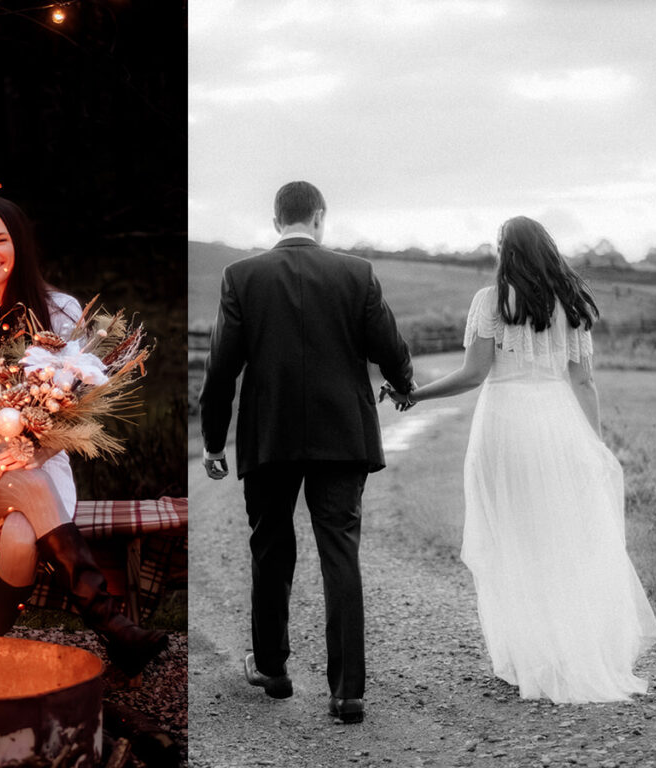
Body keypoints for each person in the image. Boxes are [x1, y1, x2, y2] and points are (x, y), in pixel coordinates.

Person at [382, 215, 656, 702]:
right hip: (558, 425)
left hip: (506, 425)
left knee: (513, 536)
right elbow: (583, 381)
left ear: (506, 252)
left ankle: (528, 654)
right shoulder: (570, 305)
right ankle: (566, 649)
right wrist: (591, 445)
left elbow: (473, 375)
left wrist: (417, 394)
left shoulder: (489, 301)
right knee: (560, 535)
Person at [199, 181, 415, 723]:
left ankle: (272, 668)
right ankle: (348, 692)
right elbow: (388, 347)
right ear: (319, 217)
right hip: (342, 436)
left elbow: (221, 368)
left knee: (271, 549)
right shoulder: (357, 273)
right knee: (339, 552)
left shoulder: (241, 277)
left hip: (269, 438)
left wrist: (211, 440)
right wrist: (404, 383)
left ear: (277, 221)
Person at [0, 196, 168, 677]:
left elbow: (80, 405)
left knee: (23, 538)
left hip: (47, 459)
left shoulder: (61, 309)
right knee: (28, 482)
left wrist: (38, 444)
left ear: (19, 243)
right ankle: (114, 627)